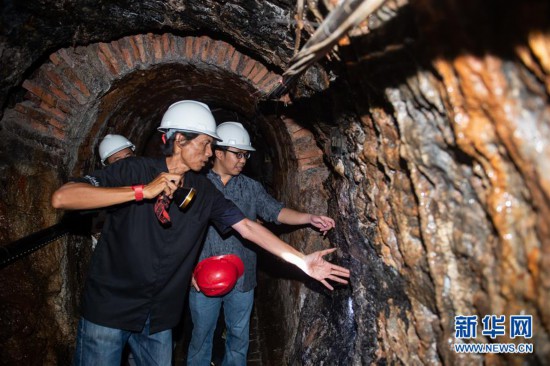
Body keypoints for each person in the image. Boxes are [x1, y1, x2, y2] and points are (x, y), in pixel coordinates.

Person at [50, 100, 350, 366]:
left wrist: (301, 261)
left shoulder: (203, 191)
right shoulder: (133, 170)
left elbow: (247, 227)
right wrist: (141, 192)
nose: (210, 153)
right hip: (109, 310)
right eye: (206, 144)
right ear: (179, 139)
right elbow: (64, 197)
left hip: (158, 319)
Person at [186, 122, 336, 366]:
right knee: (201, 336)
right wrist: (187, 270)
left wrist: (309, 218)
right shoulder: (195, 184)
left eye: (246, 155)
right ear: (218, 152)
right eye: (238, 154)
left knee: (238, 336)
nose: (243, 160)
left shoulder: (251, 188)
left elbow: (276, 212)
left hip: (242, 277)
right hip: (202, 276)